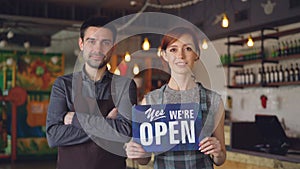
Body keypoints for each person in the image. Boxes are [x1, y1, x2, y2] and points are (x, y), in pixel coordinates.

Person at [125, 27, 226, 168]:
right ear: (164, 55)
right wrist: (137, 152)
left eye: (188, 49)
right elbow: (145, 159)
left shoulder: (214, 101)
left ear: (197, 54)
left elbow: (220, 159)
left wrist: (218, 151)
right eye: (173, 49)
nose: (181, 56)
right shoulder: (150, 101)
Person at [46, 16, 137, 169]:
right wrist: (105, 123)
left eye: (105, 42)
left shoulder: (124, 86)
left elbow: (124, 132)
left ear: (113, 47)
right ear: (81, 44)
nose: (98, 49)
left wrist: (76, 120)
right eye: (91, 41)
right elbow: (54, 136)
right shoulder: (63, 85)